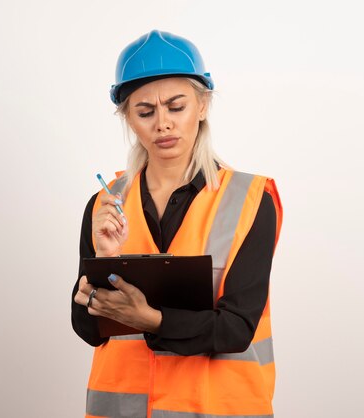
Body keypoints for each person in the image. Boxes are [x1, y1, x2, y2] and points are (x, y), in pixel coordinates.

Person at [71, 29, 283, 418]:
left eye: (176, 106)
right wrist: (104, 260)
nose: (162, 124)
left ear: (202, 106)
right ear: (128, 118)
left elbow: (236, 329)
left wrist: (151, 319)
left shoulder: (252, 200)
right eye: (145, 111)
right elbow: (87, 330)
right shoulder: (103, 205)